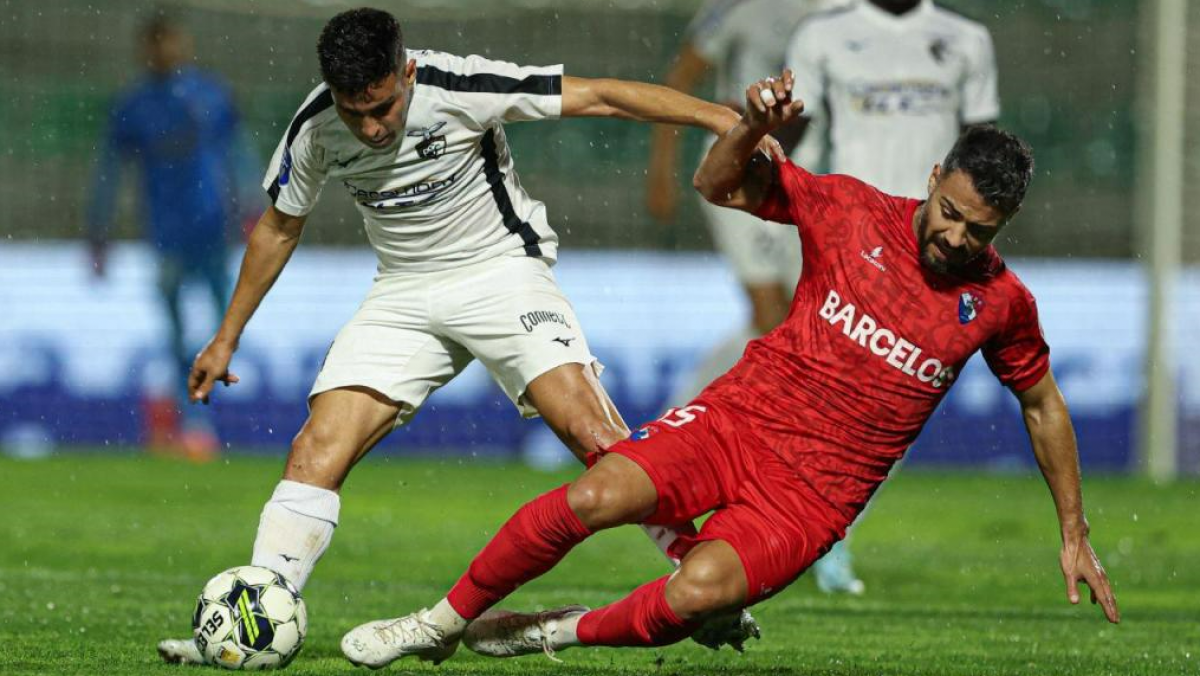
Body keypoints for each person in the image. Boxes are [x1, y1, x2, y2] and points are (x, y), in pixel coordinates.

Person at [342, 71, 1119, 668]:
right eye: (948, 212)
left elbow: (1043, 406)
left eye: (975, 231)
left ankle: (551, 630)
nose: (953, 237)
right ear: (933, 178)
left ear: (1002, 225)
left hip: (814, 498)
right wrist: (749, 127)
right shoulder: (848, 209)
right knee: (597, 492)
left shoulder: (1002, 303)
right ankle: (436, 626)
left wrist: (1074, 530)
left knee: (698, 593)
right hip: (736, 423)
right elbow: (714, 184)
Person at [156, 6, 769, 665]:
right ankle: (252, 622)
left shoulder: (459, 86)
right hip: (403, 292)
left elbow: (601, 95)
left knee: (596, 437)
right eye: (354, 112)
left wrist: (719, 119)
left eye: (383, 107)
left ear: (408, 73)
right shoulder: (315, 128)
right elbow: (279, 227)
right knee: (315, 447)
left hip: (502, 274)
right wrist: (226, 337)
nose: (370, 127)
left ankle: (707, 583)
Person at [645, 0, 865, 595]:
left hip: (807, 178)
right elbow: (684, 74)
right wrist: (661, 167)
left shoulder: (839, 14)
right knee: (774, 320)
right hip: (741, 172)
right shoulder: (739, 9)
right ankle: (762, 480)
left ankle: (679, 420)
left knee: (801, 325)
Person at [88, 14, 254, 461]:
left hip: (213, 226)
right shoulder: (135, 104)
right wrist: (98, 232)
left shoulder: (209, 93)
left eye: (172, 43)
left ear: (183, 44)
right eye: (158, 45)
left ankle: (217, 417)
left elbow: (237, 151)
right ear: (147, 49)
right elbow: (109, 169)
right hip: (165, 234)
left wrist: (256, 209)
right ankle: (194, 420)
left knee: (225, 326)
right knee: (177, 333)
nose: (166, 52)